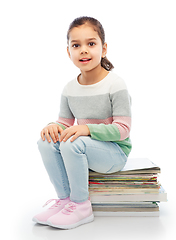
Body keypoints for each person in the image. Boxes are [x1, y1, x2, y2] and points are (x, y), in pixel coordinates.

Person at [32, 16, 132, 229]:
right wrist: (53, 126)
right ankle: (65, 200)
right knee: (46, 142)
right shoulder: (69, 88)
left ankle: (81, 206)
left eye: (91, 44)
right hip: (86, 148)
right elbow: (65, 124)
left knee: (72, 142)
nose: (83, 50)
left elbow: (123, 130)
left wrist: (86, 129)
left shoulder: (115, 84)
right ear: (69, 52)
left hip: (115, 153)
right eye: (76, 45)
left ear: (103, 49)